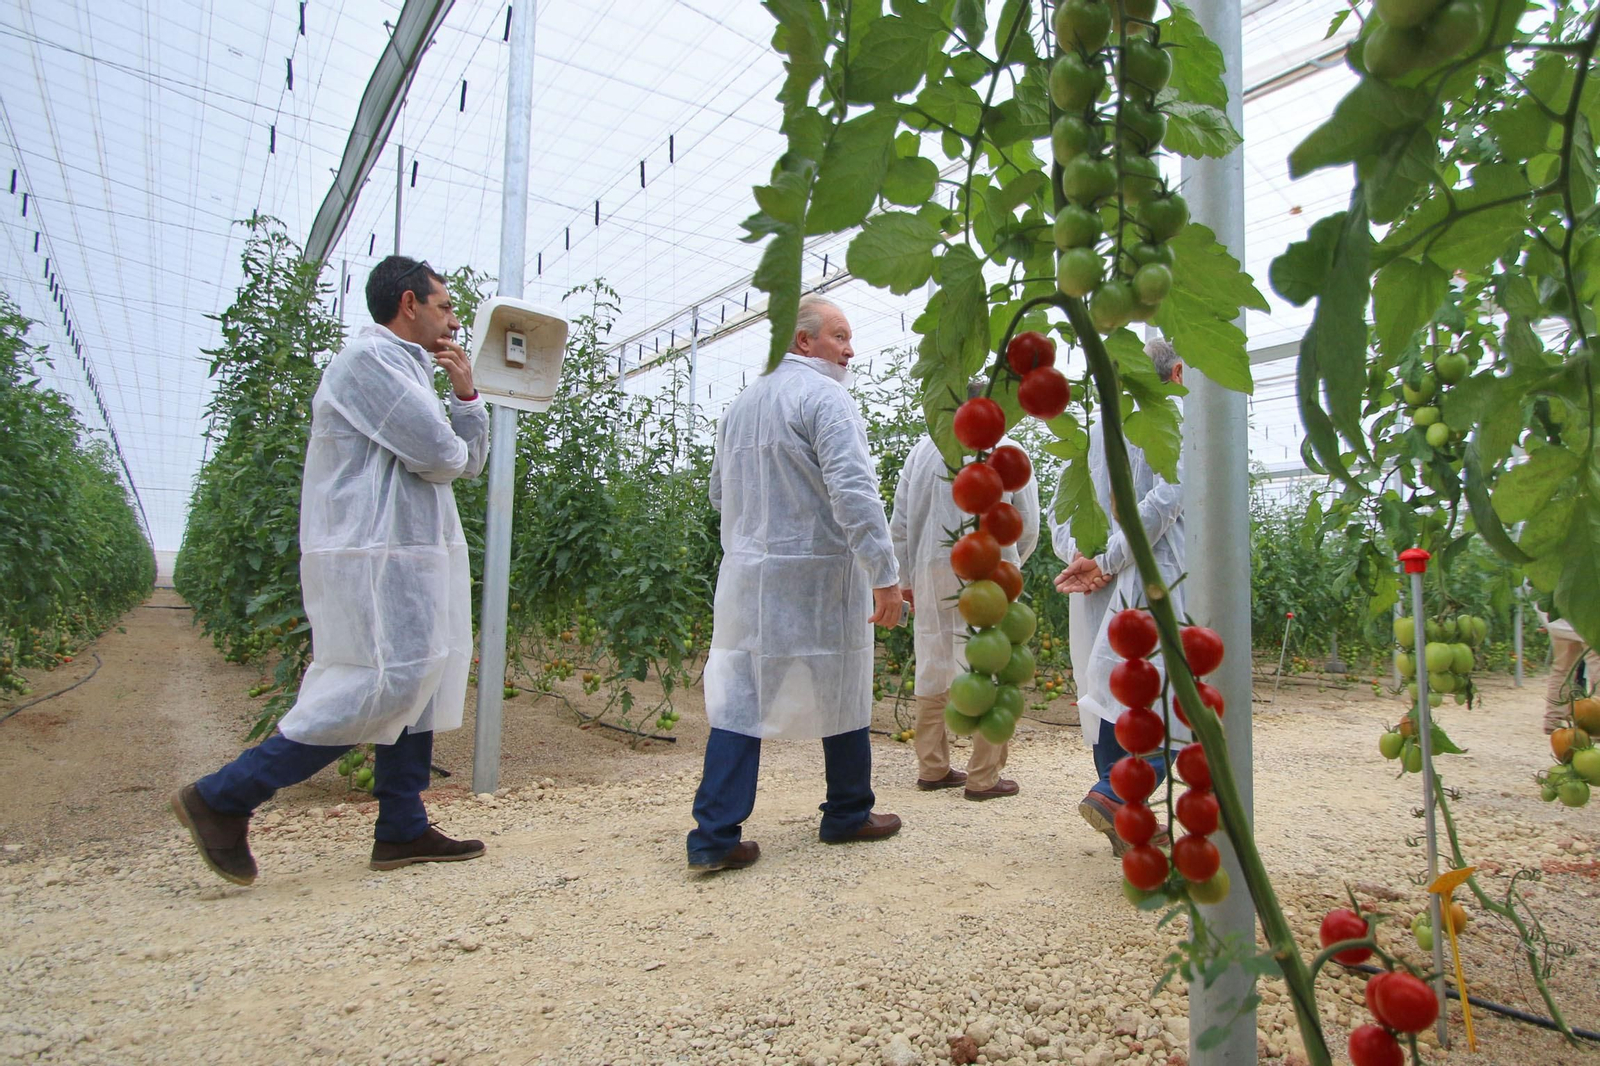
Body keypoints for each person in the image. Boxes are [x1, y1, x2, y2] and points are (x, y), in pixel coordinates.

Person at [171, 256, 490, 885]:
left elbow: (464, 462)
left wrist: (467, 398)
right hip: (372, 558)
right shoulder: (370, 364)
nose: (454, 320)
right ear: (409, 304)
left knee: (414, 681)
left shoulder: (409, 371)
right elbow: (442, 456)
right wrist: (458, 424)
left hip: (402, 555)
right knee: (382, 686)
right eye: (446, 306)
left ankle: (401, 826)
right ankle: (224, 796)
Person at [687, 296, 906, 873]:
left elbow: (718, 494)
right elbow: (854, 492)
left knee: (742, 700)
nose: (850, 349)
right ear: (802, 342)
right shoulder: (825, 398)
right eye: (839, 336)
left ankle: (713, 836)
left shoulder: (742, 404)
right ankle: (848, 811)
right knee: (842, 683)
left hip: (750, 577)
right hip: (817, 575)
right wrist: (884, 576)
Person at [1052, 338, 1185, 855]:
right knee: (1170, 696)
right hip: (1155, 573)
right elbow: (1167, 499)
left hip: (1111, 575)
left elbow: (1073, 510)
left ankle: (1126, 818)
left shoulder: (1100, 431)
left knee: (1113, 695)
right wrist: (1107, 559)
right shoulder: (1173, 419)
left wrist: (1094, 557)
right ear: (1176, 374)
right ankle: (1115, 795)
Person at [890, 384, 1040, 799]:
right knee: (990, 658)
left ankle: (933, 767)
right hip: (989, 568)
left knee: (934, 659)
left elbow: (899, 524)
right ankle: (983, 776)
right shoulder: (1006, 448)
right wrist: (1013, 563)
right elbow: (1026, 522)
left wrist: (906, 580)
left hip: (928, 571)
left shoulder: (922, 450)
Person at [1536, 602, 1599, 734]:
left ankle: (1552, 720)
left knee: (1561, 669)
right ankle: (1596, 724)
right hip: (1588, 618)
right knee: (1597, 665)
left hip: (1557, 621)